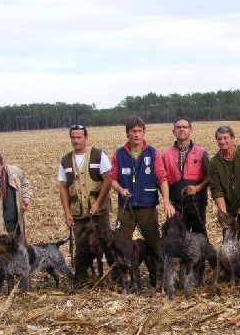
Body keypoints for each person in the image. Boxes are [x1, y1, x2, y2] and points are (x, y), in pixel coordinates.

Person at [110, 115, 175, 287]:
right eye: (133, 131)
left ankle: (158, 277)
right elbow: (113, 179)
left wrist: (167, 202)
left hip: (147, 207)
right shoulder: (119, 154)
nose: (137, 134)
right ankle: (120, 279)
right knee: (120, 243)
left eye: (140, 131)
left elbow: (162, 179)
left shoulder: (153, 153)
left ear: (144, 132)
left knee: (154, 244)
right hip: (126, 207)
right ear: (127, 133)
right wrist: (120, 190)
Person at [58, 124, 113, 280]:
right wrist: (67, 212)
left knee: (107, 242)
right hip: (78, 212)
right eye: (73, 137)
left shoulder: (98, 155)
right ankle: (81, 278)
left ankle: (115, 275)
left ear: (86, 138)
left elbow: (107, 181)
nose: (76, 141)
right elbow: (63, 188)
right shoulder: (66, 160)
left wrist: (97, 203)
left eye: (79, 137)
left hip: (99, 211)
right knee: (81, 245)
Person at [0, 151, 33, 295]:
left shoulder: (15, 172)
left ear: (3, 164)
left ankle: (24, 289)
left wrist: (26, 199)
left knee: (21, 255)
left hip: (17, 225)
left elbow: (26, 185)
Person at [161, 117, 209, 235]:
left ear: (191, 131)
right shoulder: (166, 155)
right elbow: (162, 180)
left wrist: (197, 188)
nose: (181, 129)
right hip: (176, 204)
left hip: (197, 203)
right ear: (173, 132)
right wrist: (167, 202)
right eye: (178, 127)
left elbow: (211, 178)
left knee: (200, 237)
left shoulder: (201, 152)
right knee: (177, 237)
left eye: (185, 127)